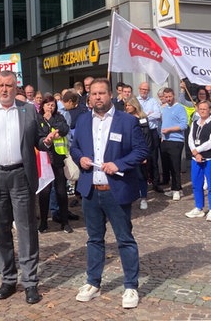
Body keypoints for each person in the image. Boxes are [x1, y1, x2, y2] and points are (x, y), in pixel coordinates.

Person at [0, 70, 55, 305]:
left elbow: (38, 139)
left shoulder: (28, 110)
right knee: (0, 231)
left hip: (21, 177)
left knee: (26, 230)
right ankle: (8, 279)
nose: (4, 89)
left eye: (9, 85)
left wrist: (45, 142)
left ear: (16, 88)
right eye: (0, 85)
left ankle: (30, 282)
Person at [70, 78, 148, 309]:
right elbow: (75, 147)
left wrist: (119, 164)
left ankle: (131, 286)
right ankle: (93, 282)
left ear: (110, 94)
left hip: (116, 190)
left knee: (124, 239)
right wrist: (79, 158)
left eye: (102, 93)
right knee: (94, 239)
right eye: (93, 94)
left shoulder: (127, 121)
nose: (97, 97)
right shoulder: (83, 120)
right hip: (91, 190)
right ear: (89, 97)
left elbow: (141, 150)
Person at [37, 95, 72, 233]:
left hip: (57, 159)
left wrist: (51, 120)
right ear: (43, 106)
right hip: (44, 159)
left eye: (52, 105)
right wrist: (49, 136)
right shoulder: (38, 118)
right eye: (47, 105)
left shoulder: (59, 117)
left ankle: (65, 222)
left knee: (61, 192)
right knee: (44, 192)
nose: (50, 107)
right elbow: (39, 134)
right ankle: (44, 222)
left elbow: (64, 129)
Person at [124, 96, 152, 210]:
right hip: (127, 151)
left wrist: (145, 154)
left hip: (139, 151)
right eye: (126, 105)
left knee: (141, 176)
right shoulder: (124, 118)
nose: (127, 107)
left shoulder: (142, 118)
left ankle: (143, 198)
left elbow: (147, 137)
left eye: (129, 105)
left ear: (135, 105)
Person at [160, 87, 188, 201]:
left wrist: (170, 130)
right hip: (165, 140)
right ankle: (176, 188)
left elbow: (183, 125)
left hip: (176, 140)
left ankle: (176, 190)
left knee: (175, 166)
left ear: (174, 95)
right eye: (166, 97)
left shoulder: (180, 108)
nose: (168, 99)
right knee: (169, 166)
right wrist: (162, 136)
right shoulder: (165, 108)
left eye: (170, 97)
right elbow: (164, 123)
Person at [186, 101, 211, 219]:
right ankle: (199, 207)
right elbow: (190, 139)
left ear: (209, 110)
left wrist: (198, 150)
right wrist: (195, 153)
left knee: (210, 185)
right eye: (200, 109)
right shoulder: (195, 123)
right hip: (196, 159)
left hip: (209, 158)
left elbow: (210, 142)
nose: (202, 111)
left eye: (205, 109)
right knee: (196, 184)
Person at [137, 82, 162, 192]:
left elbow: (158, 114)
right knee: (141, 158)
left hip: (152, 132)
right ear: (139, 89)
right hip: (140, 132)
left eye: (146, 89)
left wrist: (144, 115)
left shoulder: (153, 101)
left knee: (154, 158)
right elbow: (136, 115)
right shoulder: (136, 101)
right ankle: (143, 183)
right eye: (142, 89)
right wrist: (148, 114)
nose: (144, 91)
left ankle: (156, 183)